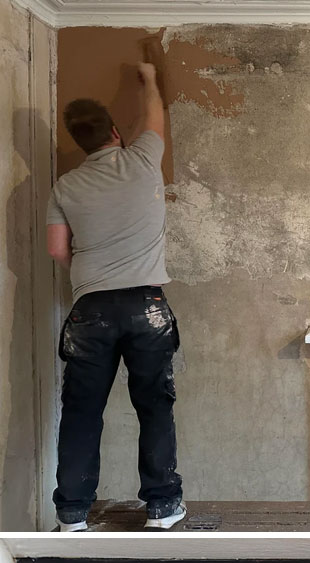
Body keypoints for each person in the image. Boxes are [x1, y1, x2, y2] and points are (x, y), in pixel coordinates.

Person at [46, 62, 185, 531]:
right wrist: (148, 79)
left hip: (91, 311)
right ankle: (163, 507)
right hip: (147, 306)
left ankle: (72, 513)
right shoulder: (143, 158)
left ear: (80, 142)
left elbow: (57, 250)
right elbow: (154, 118)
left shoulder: (65, 186)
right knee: (154, 405)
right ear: (113, 132)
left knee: (83, 412)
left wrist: (92, 273)